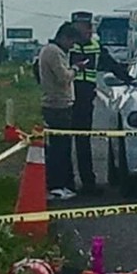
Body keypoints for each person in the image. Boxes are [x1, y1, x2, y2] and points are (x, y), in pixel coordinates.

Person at [69, 11, 135, 195]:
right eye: (85, 26)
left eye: (90, 26)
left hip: (85, 99)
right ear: (75, 27)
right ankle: (65, 183)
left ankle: (88, 183)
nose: (89, 30)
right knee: (63, 142)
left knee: (83, 141)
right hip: (65, 99)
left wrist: (131, 80)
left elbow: (113, 66)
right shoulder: (66, 45)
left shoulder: (95, 46)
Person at [39, 22, 79, 200]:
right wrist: (76, 69)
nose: (72, 46)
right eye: (72, 42)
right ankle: (56, 186)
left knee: (60, 147)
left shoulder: (50, 51)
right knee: (59, 149)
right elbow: (63, 77)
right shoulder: (54, 53)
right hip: (57, 105)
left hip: (58, 104)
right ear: (64, 37)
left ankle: (59, 184)